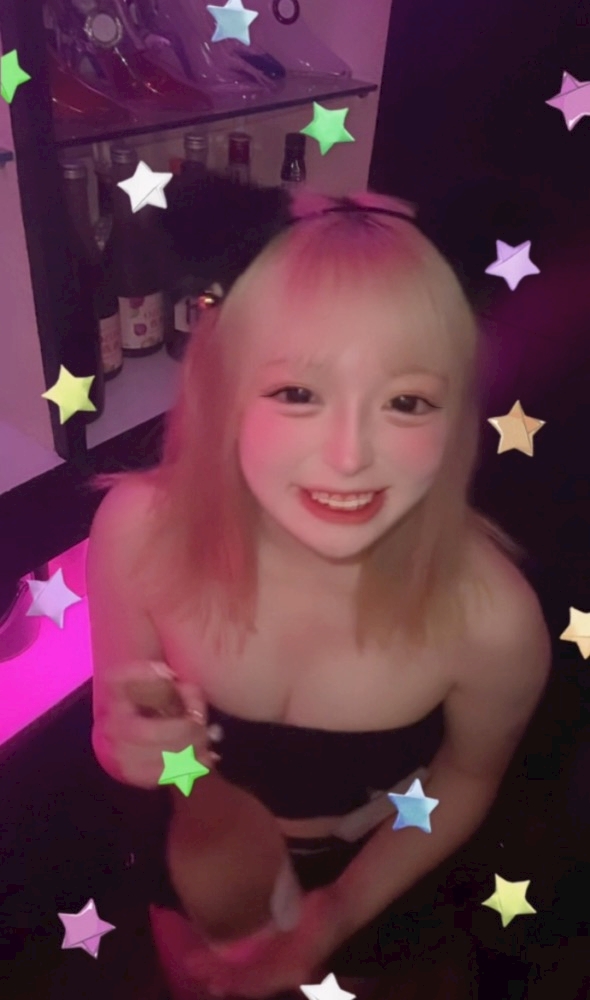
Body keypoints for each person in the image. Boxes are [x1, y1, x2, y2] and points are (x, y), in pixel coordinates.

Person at [87, 190, 552, 999]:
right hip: (195, 865)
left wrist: (331, 917)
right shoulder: (137, 533)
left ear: (456, 420)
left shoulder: (495, 621)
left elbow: (468, 778)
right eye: (297, 393)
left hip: (381, 884)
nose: (348, 457)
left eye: (406, 402)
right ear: (225, 391)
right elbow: (119, 721)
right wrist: (124, 744)